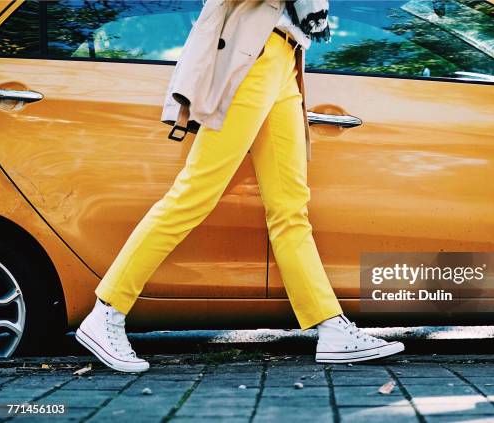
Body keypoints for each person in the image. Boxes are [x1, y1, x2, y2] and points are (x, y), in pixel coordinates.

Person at [75, 0, 404, 373]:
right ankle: (106, 314)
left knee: (290, 207)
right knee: (194, 194)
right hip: (253, 56)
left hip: (286, 58)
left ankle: (331, 327)